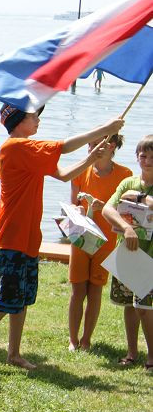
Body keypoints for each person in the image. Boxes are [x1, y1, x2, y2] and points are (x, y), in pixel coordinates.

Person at [0, 106, 124, 373]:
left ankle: (13, 353)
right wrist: (106, 129)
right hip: (13, 235)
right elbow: (66, 146)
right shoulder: (15, 147)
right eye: (33, 116)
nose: (38, 120)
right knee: (8, 297)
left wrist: (91, 158)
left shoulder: (29, 150)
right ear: (18, 121)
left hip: (28, 236)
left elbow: (62, 174)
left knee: (22, 297)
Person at [67, 134, 132, 352]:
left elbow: (125, 211)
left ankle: (86, 339)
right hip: (81, 238)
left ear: (110, 146)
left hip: (105, 242)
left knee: (95, 290)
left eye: (95, 145)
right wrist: (78, 209)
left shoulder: (125, 175)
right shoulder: (80, 170)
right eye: (90, 144)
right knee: (78, 290)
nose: (90, 149)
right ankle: (73, 340)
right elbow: (72, 203)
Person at [101, 135, 153, 370]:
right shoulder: (127, 183)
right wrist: (126, 228)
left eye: (152, 157)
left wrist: (141, 198)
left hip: (149, 258)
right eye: (143, 156)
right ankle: (132, 353)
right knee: (130, 306)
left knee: (145, 308)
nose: (148, 161)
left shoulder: (135, 190)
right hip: (127, 253)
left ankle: (152, 357)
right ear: (137, 157)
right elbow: (107, 209)